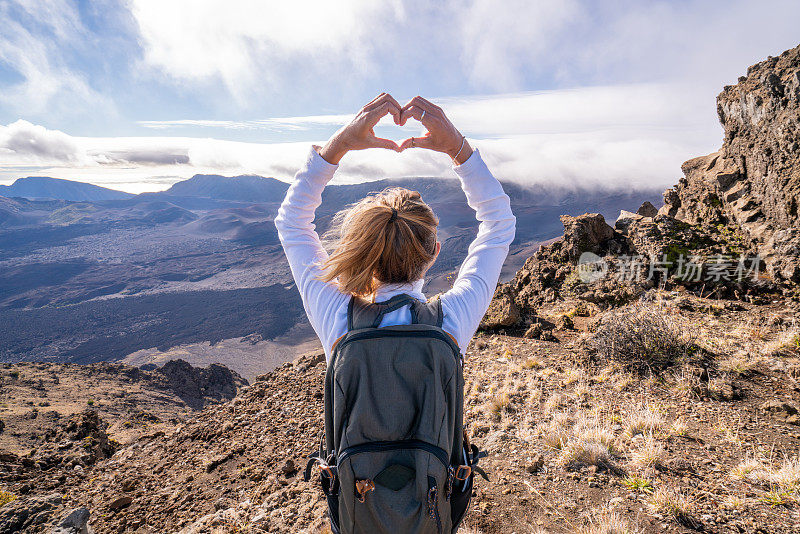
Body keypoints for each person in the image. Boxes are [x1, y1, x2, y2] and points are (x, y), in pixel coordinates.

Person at [274, 93, 516, 363]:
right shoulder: (452, 319)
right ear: (434, 252)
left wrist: (341, 143)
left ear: (363, 251)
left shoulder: (336, 315)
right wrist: (457, 148)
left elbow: (291, 221)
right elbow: (499, 223)